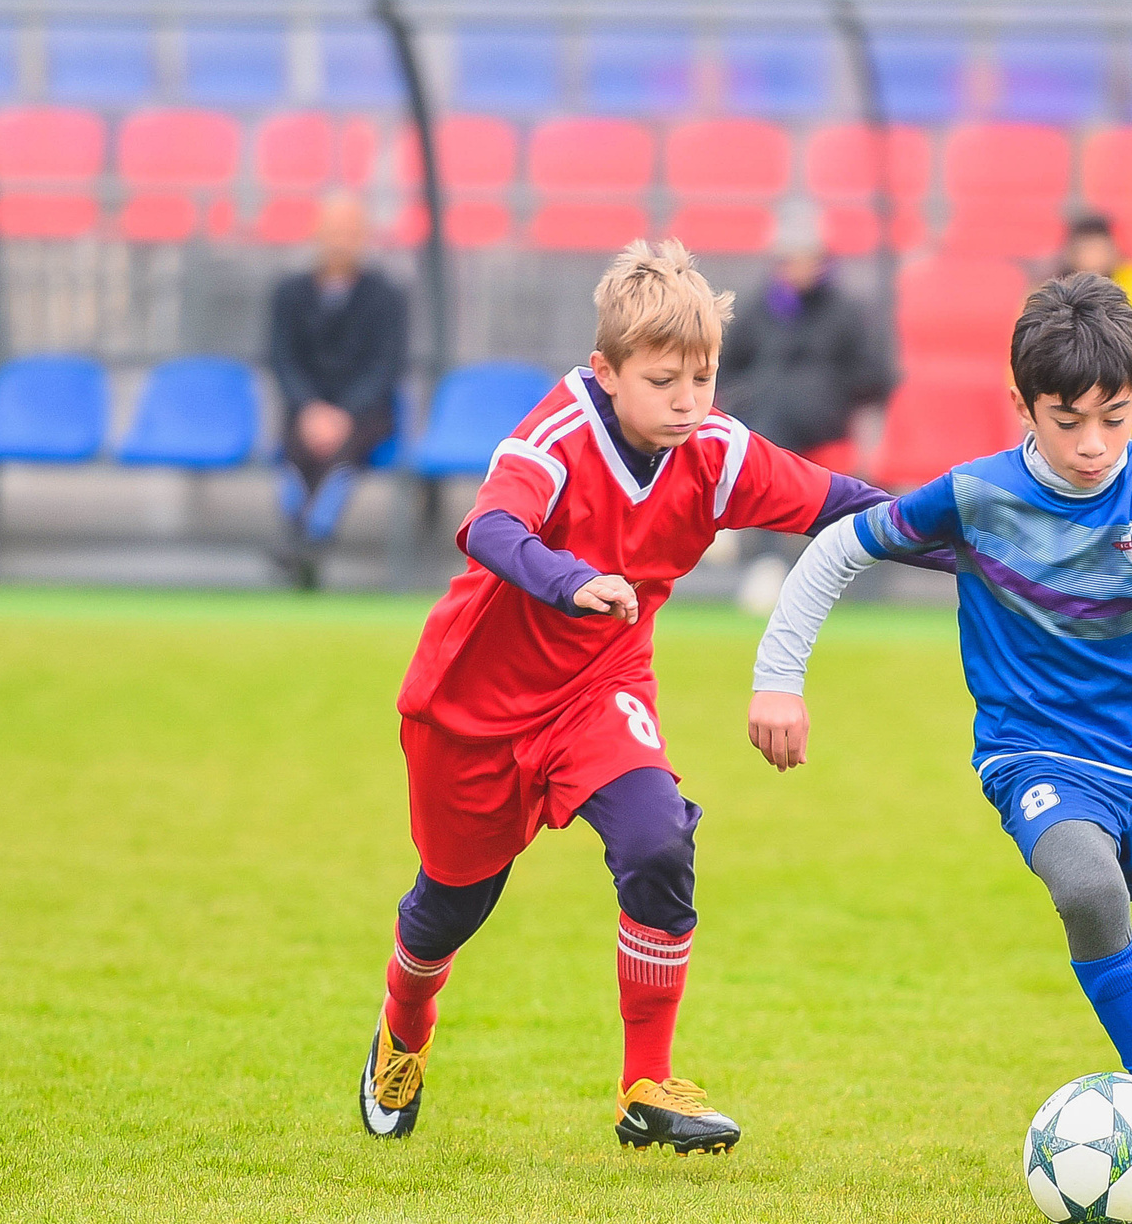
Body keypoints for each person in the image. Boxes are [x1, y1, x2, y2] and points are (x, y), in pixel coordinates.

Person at [362, 240, 894, 1152]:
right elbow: (489, 525)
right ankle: (404, 1022)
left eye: (704, 376)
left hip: (597, 689)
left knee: (657, 839)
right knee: (451, 906)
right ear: (606, 372)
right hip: (472, 707)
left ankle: (646, 1083)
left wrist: (987, 528)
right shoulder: (559, 433)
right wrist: (570, 581)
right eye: (664, 381)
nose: (689, 401)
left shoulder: (713, 451)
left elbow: (848, 503)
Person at [747, 274, 1132, 1177]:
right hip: (1038, 752)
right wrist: (778, 678)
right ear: (1021, 403)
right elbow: (841, 545)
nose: (1095, 444)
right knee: (1086, 891)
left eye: (1116, 415)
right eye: (1069, 420)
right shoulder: (975, 497)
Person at [715, 214, 896, 612]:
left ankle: (747, 535)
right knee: (767, 405)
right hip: (764, 414)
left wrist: (829, 384)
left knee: (773, 412)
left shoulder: (847, 310)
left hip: (823, 417)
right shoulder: (761, 307)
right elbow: (726, 364)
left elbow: (877, 374)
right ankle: (759, 549)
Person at [266, 192, 407, 589]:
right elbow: (282, 358)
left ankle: (307, 539)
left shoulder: (387, 296)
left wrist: (343, 413)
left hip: (366, 414)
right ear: (317, 233)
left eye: (349, 231)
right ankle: (306, 542)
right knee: (296, 448)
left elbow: (386, 365)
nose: (340, 240)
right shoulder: (289, 293)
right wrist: (310, 408)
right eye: (333, 230)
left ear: (364, 236)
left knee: (341, 453)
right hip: (305, 411)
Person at [1056, 213, 1132, 442]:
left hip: (1128, 416)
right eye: (1086, 248)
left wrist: (1112, 398)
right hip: (1066, 414)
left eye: (1099, 247)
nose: (1093, 256)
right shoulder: (1051, 291)